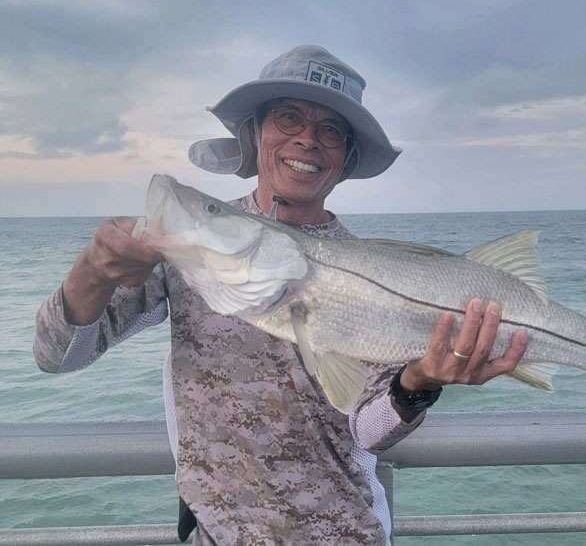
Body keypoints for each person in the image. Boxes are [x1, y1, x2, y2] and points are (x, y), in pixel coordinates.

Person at [33, 45, 527, 545]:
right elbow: (60, 356)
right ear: (255, 133)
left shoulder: (375, 277)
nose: (308, 139)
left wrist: (417, 384)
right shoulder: (190, 250)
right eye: (289, 117)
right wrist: (92, 269)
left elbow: (368, 430)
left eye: (330, 130)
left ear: (346, 157)